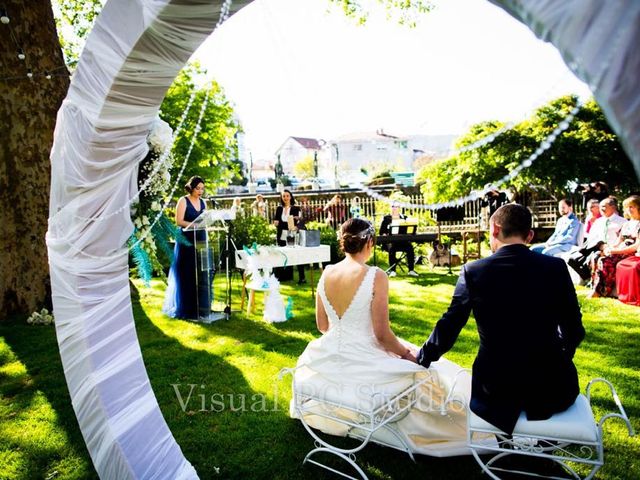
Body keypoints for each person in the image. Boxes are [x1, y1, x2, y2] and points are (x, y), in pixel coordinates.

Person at [290, 218, 473, 456]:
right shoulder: (376, 276)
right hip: (366, 350)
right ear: (370, 242)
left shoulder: (327, 272)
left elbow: (322, 326)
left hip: (329, 350)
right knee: (426, 372)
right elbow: (382, 335)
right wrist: (406, 354)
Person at [417, 204, 585, 434]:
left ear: (494, 229)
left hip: (495, 389)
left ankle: (507, 449)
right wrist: (559, 358)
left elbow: (451, 323)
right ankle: (544, 448)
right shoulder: (555, 267)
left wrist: (424, 356)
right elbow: (574, 330)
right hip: (552, 386)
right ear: (530, 235)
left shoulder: (473, 271)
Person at [163, 176, 210, 319]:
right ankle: (187, 308)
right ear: (192, 187)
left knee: (201, 274)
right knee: (187, 272)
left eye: (202, 188)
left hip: (200, 238)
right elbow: (178, 221)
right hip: (185, 239)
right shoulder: (183, 201)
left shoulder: (203, 203)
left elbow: (205, 218)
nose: (200, 191)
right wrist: (194, 225)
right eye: (198, 188)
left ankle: (202, 307)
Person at [589, 195, 640, 298]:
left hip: (631, 252)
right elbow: (618, 241)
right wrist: (609, 249)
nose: (629, 209)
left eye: (632, 207)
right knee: (598, 257)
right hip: (620, 249)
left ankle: (601, 291)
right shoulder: (626, 224)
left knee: (606, 261)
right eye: (628, 207)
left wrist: (616, 252)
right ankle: (596, 288)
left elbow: (636, 246)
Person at [566, 197, 626, 282]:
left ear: (613, 207)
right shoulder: (598, 221)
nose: (602, 209)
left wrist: (610, 248)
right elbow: (591, 237)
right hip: (595, 247)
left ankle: (594, 282)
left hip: (612, 249)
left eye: (604, 206)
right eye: (601, 207)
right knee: (571, 259)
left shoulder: (622, 221)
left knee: (595, 257)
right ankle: (587, 278)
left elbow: (623, 240)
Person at [273, 189, 306, 284]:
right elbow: (276, 221)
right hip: (281, 234)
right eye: (283, 196)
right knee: (283, 254)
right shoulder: (279, 209)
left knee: (297, 254)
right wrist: (275, 223)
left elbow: (301, 221)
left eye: (287, 196)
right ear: (281, 198)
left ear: (290, 197)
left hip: (292, 234)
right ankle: (284, 277)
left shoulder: (296, 208)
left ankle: (302, 277)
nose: (285, 198)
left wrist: (296, 226)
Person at [379, 202, 418, 277]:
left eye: (396, 207)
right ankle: (393, 271)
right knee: (392, 248)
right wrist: (384, 234)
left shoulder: (404, 218)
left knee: (410, 248)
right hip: (391, 242)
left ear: (399, 208)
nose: (394, 208)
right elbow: (381, 232)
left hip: (403, 241)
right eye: (393, 206)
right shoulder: (387, 219)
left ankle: (411, 270)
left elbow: (410, 229)